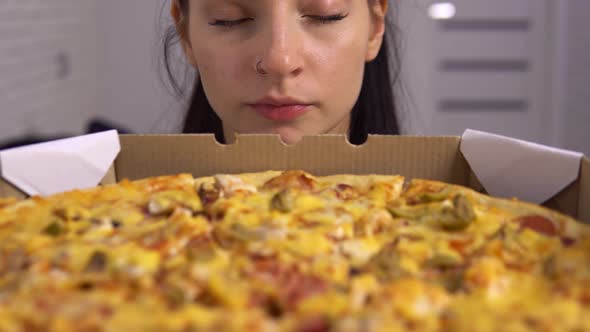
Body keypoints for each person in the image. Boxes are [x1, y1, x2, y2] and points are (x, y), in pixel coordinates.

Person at [163, 0, 401, 145]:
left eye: (325, 16)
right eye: (230, 19)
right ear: (186, 34)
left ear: (374, 27)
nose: (280, 61)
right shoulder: (132, 215)